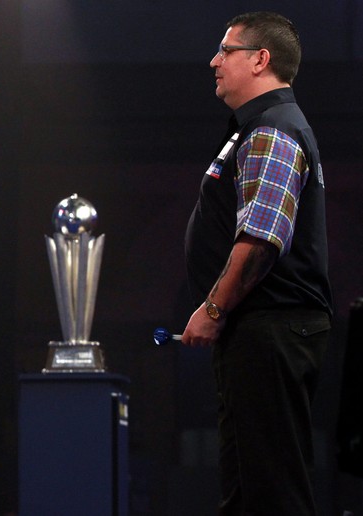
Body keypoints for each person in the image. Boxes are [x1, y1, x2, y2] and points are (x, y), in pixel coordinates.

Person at [183, 12, 332, 515]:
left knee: (272, 492)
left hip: (270, 327)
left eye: (226, 50)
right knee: (249, 491)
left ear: (260, 59)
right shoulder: (255, 129)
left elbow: (263, 239)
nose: (214, 61)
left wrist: (214, 309)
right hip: (261, 329)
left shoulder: (272, 129)